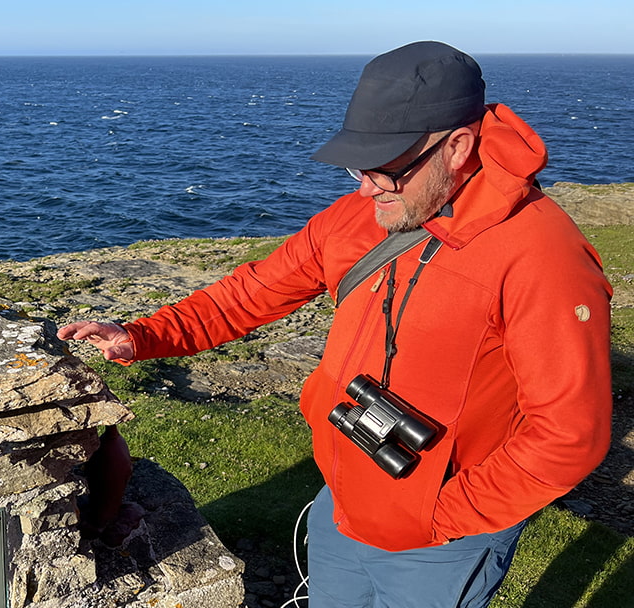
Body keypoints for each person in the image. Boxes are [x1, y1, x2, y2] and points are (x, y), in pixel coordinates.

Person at [57, 41, 612, 607]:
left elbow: (568, 437)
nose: (367, 188)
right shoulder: (362, 217)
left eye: (387, 169)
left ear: (459, 147)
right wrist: (142, 335)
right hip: (341, 499)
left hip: (441, 540)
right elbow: (250, 294)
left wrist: (440, 515)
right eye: (359, 166)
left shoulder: (543, 256)